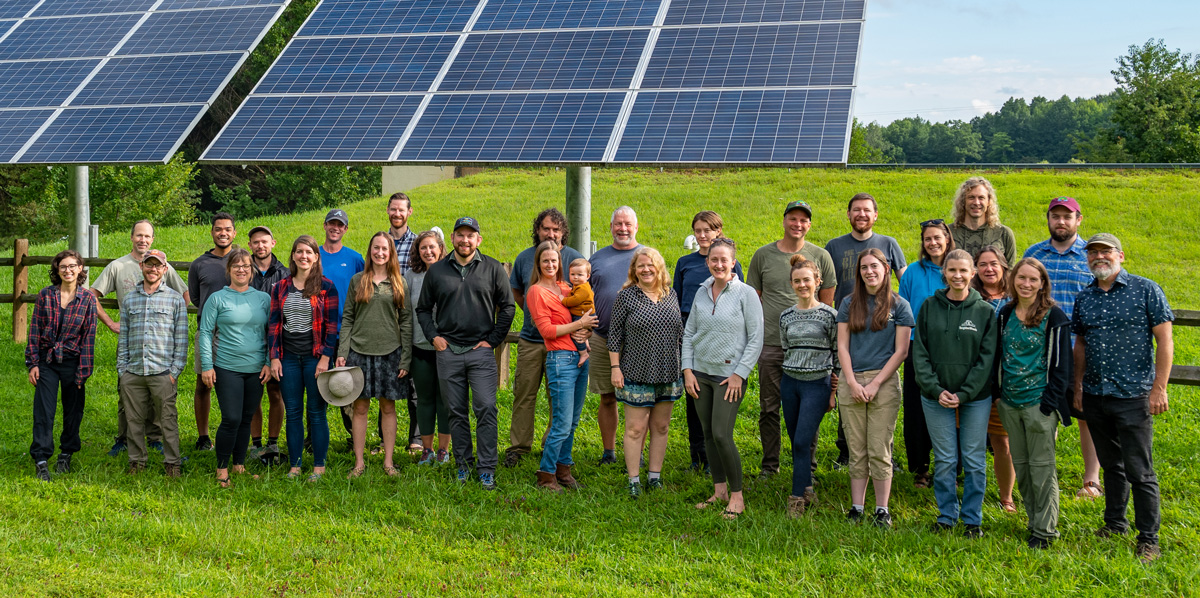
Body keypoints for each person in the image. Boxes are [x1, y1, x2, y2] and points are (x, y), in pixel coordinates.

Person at [1072, 233, 1174, 563]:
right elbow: (1081, 345)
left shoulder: (1146, 290)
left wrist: (1159, 387)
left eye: (1106, 252)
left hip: (1133, 395)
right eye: (1093, 253)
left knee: (1139, 469)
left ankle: (1148, 538)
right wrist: (1078, 386)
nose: (1099, 257)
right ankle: (1115, 523)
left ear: (1121, 256)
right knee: (1112, 465)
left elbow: (1165, 341)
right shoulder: (1085, 297)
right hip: (1097, 394)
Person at [416, 217, 515, 490]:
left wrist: (493, 340)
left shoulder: (493, 269)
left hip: (480, 352)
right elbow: (423, 309)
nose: (465, 240)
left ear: (478, 240)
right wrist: (434, 337)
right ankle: (463, 464)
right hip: (448, 351)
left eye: (470, 235)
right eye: (460, 235)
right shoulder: (437, 272)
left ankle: (486, 468)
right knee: (455, 411)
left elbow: (507, 307)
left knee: (485, 407)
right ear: (453, 237)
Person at [746, 200, 836, 477]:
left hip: (811, 350)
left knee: (809, 410)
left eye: (804, 220)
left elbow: (827, 303)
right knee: (769, 408)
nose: (798, 224)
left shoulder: (821, 256)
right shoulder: (763, 255)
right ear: (784, 220)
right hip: (772, 343)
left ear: (809, 225)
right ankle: (770, 466)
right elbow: (753, 300)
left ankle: (806, 468)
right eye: (793, 219)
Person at [913, 249, 999, 538]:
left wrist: (963, 394)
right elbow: (920, 353)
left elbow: (986, 360)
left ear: (972, 274)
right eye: (952, 271)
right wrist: (936, 389)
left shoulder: (985, 311)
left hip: (975, 398)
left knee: (974, 459)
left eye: (964, 271)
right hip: (935, 396)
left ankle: (972, 519)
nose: (958, 276)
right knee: (946, 458)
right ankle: (947, 515)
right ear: (944, 273)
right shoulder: (928, 307)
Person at [1023, 196, 1102, 500]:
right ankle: (1046, 474)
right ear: (1048, 220)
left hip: (1080, 347)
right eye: (1055, 216)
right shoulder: (1034, 254)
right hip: (1042, 350)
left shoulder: (1090, 256)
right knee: (1045, 412)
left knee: (1085, 411)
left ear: (1078, 220)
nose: (1061, 222)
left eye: (1067, 217)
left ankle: (1091, 480)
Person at [993, 258, 1074, 549]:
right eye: (1021, 278)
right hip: (1010, 403)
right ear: (1013, 280)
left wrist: (1048, 403)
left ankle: (1046, 530)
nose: (1026, 284)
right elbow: (997, 356)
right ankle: (1033, 519)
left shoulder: (1054, 317)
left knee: (1042, 468)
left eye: (1033, 279)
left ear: (1042, 283)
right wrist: (999, 395)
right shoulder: (1005, 313)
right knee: (1023, 467)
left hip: (1039, 403)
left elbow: (1062, 366)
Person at [91, 220, 188, 458]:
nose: (142, 240)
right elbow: (91, 294)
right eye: (139, 235)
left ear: (152, 239)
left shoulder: (164, 265)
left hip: (159, 346)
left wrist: (173, 323)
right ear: (132, 237)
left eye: (147, 236)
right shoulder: (118, 266)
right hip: (132, 342)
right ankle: (123, 439)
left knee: (159, 397)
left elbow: (183, 294)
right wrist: (111, 323)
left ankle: (154, 438)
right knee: (127, 394)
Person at [824, 193, 907, 470]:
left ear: (876, 215)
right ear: (848, 214)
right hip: (848, 325)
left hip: (883, 326)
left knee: (884, 392)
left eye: (867, 210)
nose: (862, 214)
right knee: (847, 386)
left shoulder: (889, 244)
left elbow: (903, 282)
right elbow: (828, 287)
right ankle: (847, 452)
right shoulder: (834, 246)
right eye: (856, 210)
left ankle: (885, 454)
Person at [682, 238, 763, 519]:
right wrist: (687, 370)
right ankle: (719, 492)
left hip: (729, 378)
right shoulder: (702, 292)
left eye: (723, 260)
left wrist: (741, 374)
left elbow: (756, 338)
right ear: (707, 262)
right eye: (713, 260)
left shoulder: (746, 294)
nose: (718, 264)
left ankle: (738, 496)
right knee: (707, 435)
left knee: (721, 434)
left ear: (733, 263)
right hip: (700, 375)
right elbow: (689, 333)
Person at [835, 249, 913, 528]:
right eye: (864, 267)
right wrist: (853, 382)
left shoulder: (899, 306)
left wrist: (877, 382)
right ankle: (857, 507)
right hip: (851, 381)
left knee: (879, 448)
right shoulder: (848, 303)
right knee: (857, 449)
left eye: (875, 266)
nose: (869, 271)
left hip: (885, 384)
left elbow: (901, 351)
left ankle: (882, 509)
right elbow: (842, 345)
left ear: (886, 268)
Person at [506, 208, 584, 467]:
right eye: (546, 228)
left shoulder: (573, 257)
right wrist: (538, 313)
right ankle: (519, 447)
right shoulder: (525, 258)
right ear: (537, 230)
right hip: (531, 339)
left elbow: (582, 296)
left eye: (556, 230)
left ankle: (553, 445)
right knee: (524, 394)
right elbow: (518, 291)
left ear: (563, 233)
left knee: (558, 399)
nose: (550, 233)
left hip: (563, 346)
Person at [608, 247, 684, 499]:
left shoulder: (670, 295)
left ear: (659, 267)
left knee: (661, 427)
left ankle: (655, 477)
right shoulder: (627, 296)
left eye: (650, 265)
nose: (646, 269)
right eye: (641, 266)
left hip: (667, 371)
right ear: (634, 270)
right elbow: (614, 335)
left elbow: (680, 334)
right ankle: (633, 480)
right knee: (635, 429)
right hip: (635, 372)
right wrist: (615, 368)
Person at [336, 232, 413, 478]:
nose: (380, 253)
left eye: (384, 249)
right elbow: (347, 318)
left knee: (388, 408)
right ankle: (359, 463)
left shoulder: (399, 282)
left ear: (390, 253)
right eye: (376, 248)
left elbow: (407, 322)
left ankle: (388, 462)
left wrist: (406, 357)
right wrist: (343, 352)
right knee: (360, 408)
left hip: (390, 352)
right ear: (370, 251)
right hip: (359, 352)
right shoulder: (358, 280)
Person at [673, 210, 745, 473]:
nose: (702, 235)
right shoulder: (685, 263)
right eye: (698, 230)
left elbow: (739, 301)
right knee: (694, 398)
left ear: (718, 232)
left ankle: (717, 451)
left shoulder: (730, 263)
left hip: (720, 337)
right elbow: (677, 298)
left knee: (718, 399)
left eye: (708, 230)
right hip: (690, 334)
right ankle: (697, 456)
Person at [525, 241, 597, 492]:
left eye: (554, 261)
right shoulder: (536, 292)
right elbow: (547, 331)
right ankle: (546, 474)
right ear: (538, 263)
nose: (550, 265)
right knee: (562, 422)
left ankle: (564, 469)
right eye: (546, 260)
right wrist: (580, 326)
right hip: (560, 360)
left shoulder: (567, 287)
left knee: (573, 421)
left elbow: (584, 314)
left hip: (580, 359)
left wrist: (586, 332)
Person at [197, 248, 272, 488]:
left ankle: (239, 465)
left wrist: (269, 362)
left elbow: (272, 333)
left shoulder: (263, 299)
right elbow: (206, 333)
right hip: (227, 367)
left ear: (252, 271)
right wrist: (207, 366)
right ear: (228, 270)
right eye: (237, 266)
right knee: (231, 418)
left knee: (246, 418)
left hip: (256, 369)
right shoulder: (217, 298)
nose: (242, 269)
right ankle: (221, 468)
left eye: (246, 266)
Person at [268, 235, 339, 482]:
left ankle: (319, 466)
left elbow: (332, 326)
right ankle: (295, 465)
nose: (304, 256)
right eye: (299, 252)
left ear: (316, 257)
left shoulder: (326, 287)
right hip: (288, 358)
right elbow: (275, 323)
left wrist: (325, 358)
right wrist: (274, 357)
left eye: (309, 252)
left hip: (314, 358)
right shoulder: (280, 287)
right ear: (293, 256)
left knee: (316, 412)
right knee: (294, 412)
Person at [26, 250, 97, 481]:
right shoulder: (46, 296)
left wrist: (83, 371)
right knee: (44, 410)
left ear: (80, 269)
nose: (68, 270)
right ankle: (42, 458)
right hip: (47, 360)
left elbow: (89, 337)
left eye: (72, 266)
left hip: (73, 361)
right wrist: (33, 363)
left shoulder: (87, 300)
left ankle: (66, 453)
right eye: (63, 266)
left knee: (73, 410)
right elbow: (34, 330)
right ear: (57, 270)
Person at [117, 249, 188, 477]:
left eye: (158, 265)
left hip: (162, 372)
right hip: (134, 372)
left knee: (167, 420)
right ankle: (136, 462)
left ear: (165, 269)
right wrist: (123, 371)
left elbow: (181, 339)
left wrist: (174, 371)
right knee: (134, 420)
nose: (153, 269)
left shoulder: (175, 299)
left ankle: (172, 464)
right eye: (149, 264)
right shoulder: (130, 299)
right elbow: (124, 337)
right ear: (142, 267)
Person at [778, 256, 838, 517]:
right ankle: (808, 488)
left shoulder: (830, 316)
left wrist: (833, 392)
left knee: (803, 440)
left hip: (817, 384)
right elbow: (785, 348)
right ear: (791, 284)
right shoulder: (786, 316)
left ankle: (796, 500)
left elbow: (837, 354)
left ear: (817, 282)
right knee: (796, 441)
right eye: (797, 281)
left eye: (807, 280)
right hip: (790, 383)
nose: (802, 285)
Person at [898, 219, 955, 487]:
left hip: (952, 352)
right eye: (927, 239)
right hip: (917, 350)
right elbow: (905, 312)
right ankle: (921, 468)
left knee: (951, 409)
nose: (932, 243)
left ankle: (952, 469)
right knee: (916, 410)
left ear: (947, 238)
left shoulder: (956, 268)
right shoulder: (912, 272)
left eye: (937, 237)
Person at [588, 206, 644, 465]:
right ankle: (608, 452)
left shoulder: (646, 256)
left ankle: (637, 452)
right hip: (601, 338)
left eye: (628, 224)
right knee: (607, 396)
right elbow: (586, 296)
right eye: (618, 224)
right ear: (610, 227)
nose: (623, 228)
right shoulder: (597, 259)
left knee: (638, 399)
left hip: (638, 340)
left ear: (636, 227)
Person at [973, 245, 1018, 513]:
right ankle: (970, 493)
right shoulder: (969, 296)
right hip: (976, 377)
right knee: (970, 440)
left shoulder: (1017, 297)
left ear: (1003, 266)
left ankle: (1006, 497)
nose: (989, 269)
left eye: (994, 264)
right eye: (983, 264)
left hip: (1007, 378)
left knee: (1002, 440)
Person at [188, 212, 236, 451]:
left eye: (227, 229)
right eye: (218, 229)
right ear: (212, 232)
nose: (223, 233)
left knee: (239, 384)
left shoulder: (241, 260)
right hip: (207, 332)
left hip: (238, 334)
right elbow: (197, 298)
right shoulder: (200, 264)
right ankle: (203, 436)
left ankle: (240, 433)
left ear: (234, 233)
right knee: (203, 384)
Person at [318, 208, 366, 443]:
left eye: (340, 225)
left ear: (345, 229)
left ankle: (353, 438)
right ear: (325, 226)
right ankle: (314, 438)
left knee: (346, 386)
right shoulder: (313, 255)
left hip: (347, 333)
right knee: (318, 385)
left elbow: (367, 290)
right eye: (331, 223)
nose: (335, 228)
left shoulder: (356, 259)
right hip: (318, 333)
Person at [406, 231, 452, 466]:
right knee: (424, 399)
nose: (428, 251)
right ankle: (427, 449)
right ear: (417, 251)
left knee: (444, 399)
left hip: (447, 349)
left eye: (432, 247)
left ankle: (444, 450)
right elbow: (405, 315)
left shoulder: (451, 274)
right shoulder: (410, 277)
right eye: (423, 247)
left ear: (441, 248)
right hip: (420, 348)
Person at [247, 225, 288, 462]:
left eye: (264, 241)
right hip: (249, 342)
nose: (260, 246)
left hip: (277, 341)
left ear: (273, 243)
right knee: (254, 395)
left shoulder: (283, 273)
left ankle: (272, 444)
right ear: (250, 245)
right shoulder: (243, 270)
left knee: (275, 393)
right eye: (255, 242)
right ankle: (255, 444)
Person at [387, 192, 421, 452]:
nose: (397, 214)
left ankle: (416, 438)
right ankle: (382, 437)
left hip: (411, 317)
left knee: (414, 383)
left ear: (409, 212)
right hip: (386, 319)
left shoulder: (419, 243)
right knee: (384, 379)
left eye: (402, 210)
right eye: (393, 209)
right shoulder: (380, 242)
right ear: (388, 211)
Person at [948, 176, 1016, 264]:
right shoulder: (948, 233)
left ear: (988, 202)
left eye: (981, 198)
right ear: (963, 201)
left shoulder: (1004, 233)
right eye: (971, 197)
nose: (976, 202)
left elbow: (1009, 273)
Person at [562, 258, 594, 363]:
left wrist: (563, 300)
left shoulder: (583, 288)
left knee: (577, 335)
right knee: (582, 333)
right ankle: (587, 345)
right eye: (572, 274)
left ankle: (583, 353)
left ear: (588, 276)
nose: (575, 277)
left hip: (582, 315)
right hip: (582, 314)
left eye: (580, 275)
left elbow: (575, 300)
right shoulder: (578, 286)